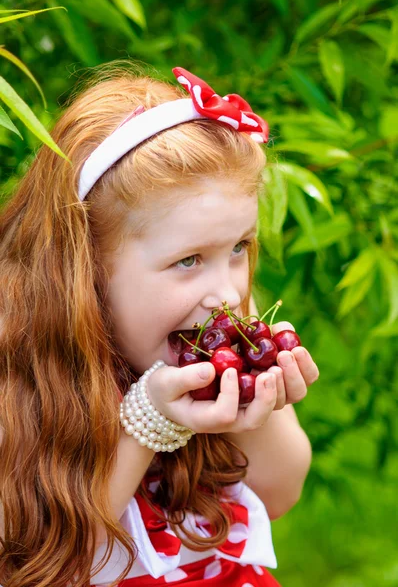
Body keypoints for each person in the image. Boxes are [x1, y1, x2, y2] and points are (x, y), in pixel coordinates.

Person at [0, 61, 319, 587]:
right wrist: (148, 424)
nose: (226, 292)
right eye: (189, 260)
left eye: (239, 248)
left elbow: (280, 492)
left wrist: (256, 412)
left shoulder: (213, 346)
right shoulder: (28, 381)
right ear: (87, 269)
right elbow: (44, 565)